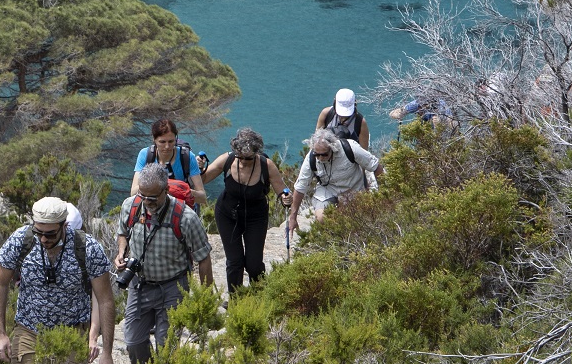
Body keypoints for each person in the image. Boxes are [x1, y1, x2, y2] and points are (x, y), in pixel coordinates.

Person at [0, 196, 117, 364]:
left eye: (49, 234)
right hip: (29, 329)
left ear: (64, 226)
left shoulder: (87, 248)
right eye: (38, 232)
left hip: (70, 333)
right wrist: (0, 333)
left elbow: (105, 300)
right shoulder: (21, 240)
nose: (42, 239)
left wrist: (106, 352)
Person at [114, 163, 214, 364]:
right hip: (140, 286)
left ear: (166, 190)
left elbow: (203, 258)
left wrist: (205, 297)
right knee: (133, 342)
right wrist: (121, 252)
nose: (147, 202)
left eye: (153, 197)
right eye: (143, 195)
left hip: (173, 289)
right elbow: (123, 232)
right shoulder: (131, 206)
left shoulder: (185, 218)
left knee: (166, 346)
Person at [200, 127, 286, 290]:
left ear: (257, 153)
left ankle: (258, 296)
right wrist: (199, 167)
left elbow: (281, 190)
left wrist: (285, 198)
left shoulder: (266, 165)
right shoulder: (226, 160)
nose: (244, 162)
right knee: (234, 261)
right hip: (227, 214)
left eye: (249, 158)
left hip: (256, 217)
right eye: (241, 158)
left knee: (254, 264)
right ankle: (236, 301)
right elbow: (203, 179)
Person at [288, 127, 382, 232]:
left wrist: (384, 194)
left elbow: (376, 166)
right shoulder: (311, 158)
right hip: (327, 190)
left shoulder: (350, 148)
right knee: (322, 218)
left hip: (353, 189)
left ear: (332, 148)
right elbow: (301, 187)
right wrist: (293, 217)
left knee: (353, 221)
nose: (320, 158)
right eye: (317, 154)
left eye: (324, 154)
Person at [128, 118, 205, 196]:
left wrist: (179, 190)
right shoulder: (145, 155)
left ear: (176, 139)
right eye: (162, 142)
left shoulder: (187, 157)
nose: (167, 146)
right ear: (154, 140)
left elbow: (202, 195)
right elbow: (133, 192)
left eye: (171, 141)